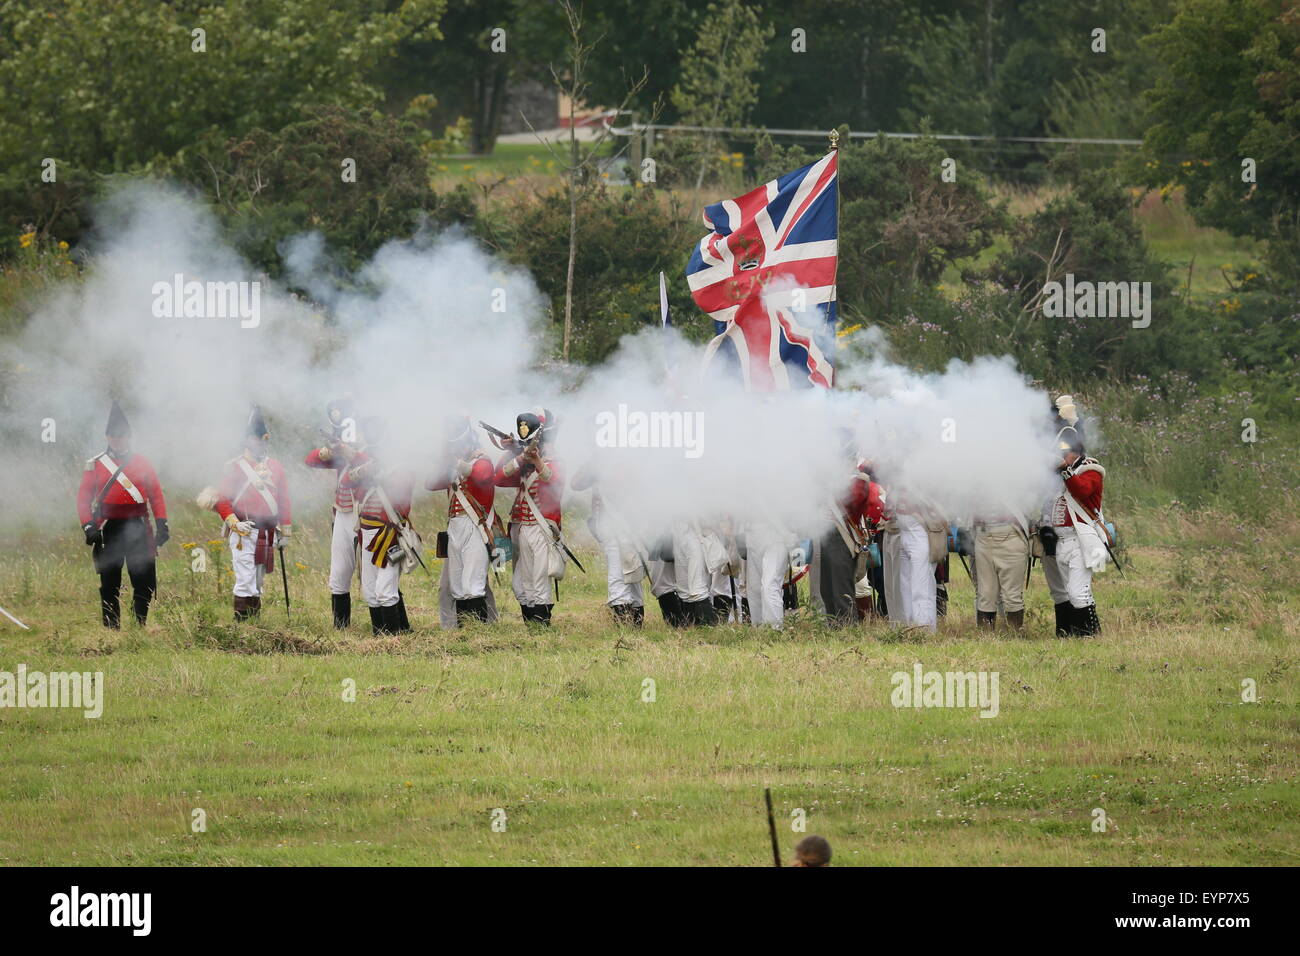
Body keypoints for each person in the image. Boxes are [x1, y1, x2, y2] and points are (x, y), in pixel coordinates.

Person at [76, 401, 168, 628]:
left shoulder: (142, 462)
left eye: (123, 436)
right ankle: (111, 626)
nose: (119, 440)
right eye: (114, 436)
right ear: (107, 438)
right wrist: (89, 526)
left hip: (138, 525)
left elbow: (156, 496)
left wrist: (162, 524)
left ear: (129, 437)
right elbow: (83, 499)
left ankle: (140, 624)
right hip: (109, 527)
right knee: (109, 581)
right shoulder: (95, 464)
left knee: (142, 578)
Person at [199, 405, 291, 622]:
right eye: (253, 438)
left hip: (267, 531)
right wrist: (233, 523)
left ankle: (253, 625)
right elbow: (222, 499)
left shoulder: (276, 467)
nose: (257, 442)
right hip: (243, 529)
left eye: (260, 439)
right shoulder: (235, 467)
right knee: (245, 579)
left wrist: (285, 530)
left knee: (258, 581)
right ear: (247, 440)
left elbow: (283, 500)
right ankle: (242, 626)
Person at [345, 418, 416, 635]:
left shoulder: (400, 469)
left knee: (385, 589)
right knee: (369, 590)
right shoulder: (366, 469)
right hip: (366, 531)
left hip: (388, 534)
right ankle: (380, 635)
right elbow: (348, 482)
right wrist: (366, 470)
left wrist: (379, 473)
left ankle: (394, 638)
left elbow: (401, 498)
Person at [495, 411, 565, 625]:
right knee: (523, 583)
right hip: (524, 527)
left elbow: (551, 480)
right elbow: (497, 477)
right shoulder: (523, 463)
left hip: (542, 527)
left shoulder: (553, 461)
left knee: (538, 581)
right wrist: (513, 454)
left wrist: (536, 460)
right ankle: (532, 626)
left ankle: (541, 626)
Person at [427, 415, 498, 627]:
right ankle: (464, 631)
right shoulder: (453, 467)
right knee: (457, 586)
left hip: (476, 526)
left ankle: (479, 631)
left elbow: (480, 476)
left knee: (472, 585)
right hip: (454, 526)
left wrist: (455, 462)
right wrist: (443, 459)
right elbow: (430, 483)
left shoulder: (483, 460)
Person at [1041, 427, 1106, 636]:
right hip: (1062, 540)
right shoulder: (1058, 475)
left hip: (1081, 539)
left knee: (1078, 593)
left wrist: (1065, 470)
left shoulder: (1091, 469)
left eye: (1064, 452)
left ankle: (1089, 633)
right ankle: (1068, 632)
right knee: (1066, 593)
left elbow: (1082, 492)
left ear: (1075, 452)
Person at [303, 397, 361, 629]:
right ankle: (341, 626)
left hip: (367, 513)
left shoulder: (368, 451)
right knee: (339, 573)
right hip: (343, 511)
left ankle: (392, 627)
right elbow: (310, 459)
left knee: (377, 575)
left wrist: (352, 452)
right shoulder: (341, 452)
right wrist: (328, 451)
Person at [571, 461, 646, 626]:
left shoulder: (624, 461)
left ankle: (625, 626)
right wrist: (594, 459)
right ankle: (634, 623)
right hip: (609, 527)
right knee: (628, 575)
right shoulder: (601, 460)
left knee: (620, 577)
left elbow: (619, 487)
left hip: (621, 525)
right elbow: (575, 483)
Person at [881, 491, 944, 631]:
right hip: (903, 531)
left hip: (920, 530)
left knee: (921, 586)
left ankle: (924, 629)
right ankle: (909, 627)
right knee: (905, 586)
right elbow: (888, 511)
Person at [972, 508, 1031, 631]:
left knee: (1012, 595)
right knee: (986, 594)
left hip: (1010, 534)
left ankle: (1015, 637)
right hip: (982, 535)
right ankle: (985, 638)